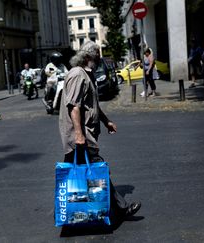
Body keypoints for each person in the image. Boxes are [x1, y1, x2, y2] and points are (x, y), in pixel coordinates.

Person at [59, 41, 141, 226]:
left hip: (84, 134)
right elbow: (74, 107)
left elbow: (91, 105)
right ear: (88, 56)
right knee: (97, 170)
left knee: (84, 174)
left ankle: (72, 213)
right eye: (97, 56)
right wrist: (79, 135)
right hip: (79, 136)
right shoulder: (77, 75)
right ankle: (120, 209)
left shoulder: (86, 75)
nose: (98, 60)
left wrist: (106, 121)